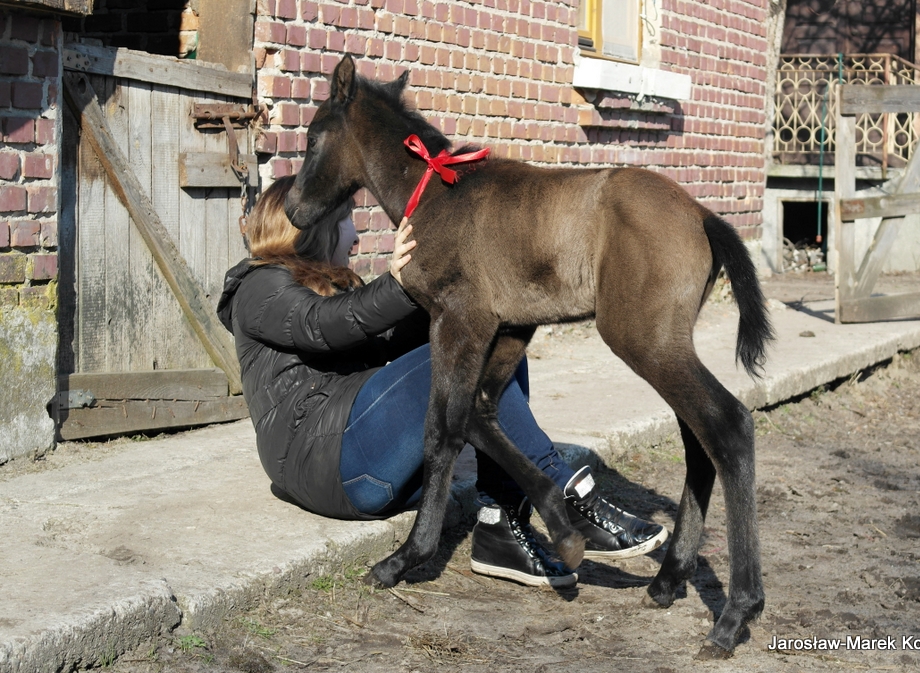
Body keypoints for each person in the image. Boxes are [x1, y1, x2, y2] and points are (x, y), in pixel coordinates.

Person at [217, 176, 668, 588]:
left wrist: (448, 283)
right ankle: (565, 495)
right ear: (314, 230)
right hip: (327, 464)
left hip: (370, 463)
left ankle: (500, 528)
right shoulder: (259, 286)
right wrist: (396, 285)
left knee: (492, 335)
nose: (355, 237)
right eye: (346, 221)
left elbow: (385, 337)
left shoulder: (331, 284)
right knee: (458, 360)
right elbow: (324, 323)